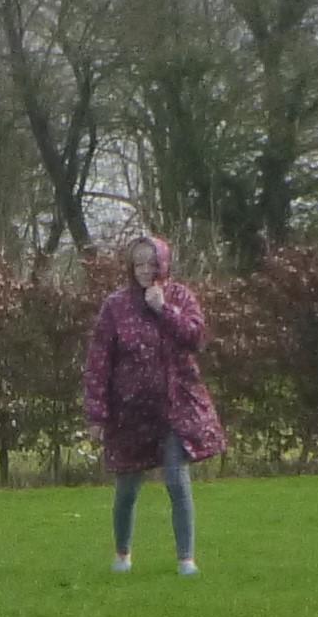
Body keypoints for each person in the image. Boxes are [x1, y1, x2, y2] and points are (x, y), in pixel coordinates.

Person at [83, 234, 224, 574]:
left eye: (151, 263)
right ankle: (122, 555)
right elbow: (99, 361)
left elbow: (196, 338)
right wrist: (97, 413)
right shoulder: (115, 306)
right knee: (128, 488)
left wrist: (164, 310)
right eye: (139, 264)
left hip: (175, 407)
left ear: (163, 263)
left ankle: (186, 560)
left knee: (176, 478)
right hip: (130, 412)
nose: (145, 270)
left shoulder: (180, 297)